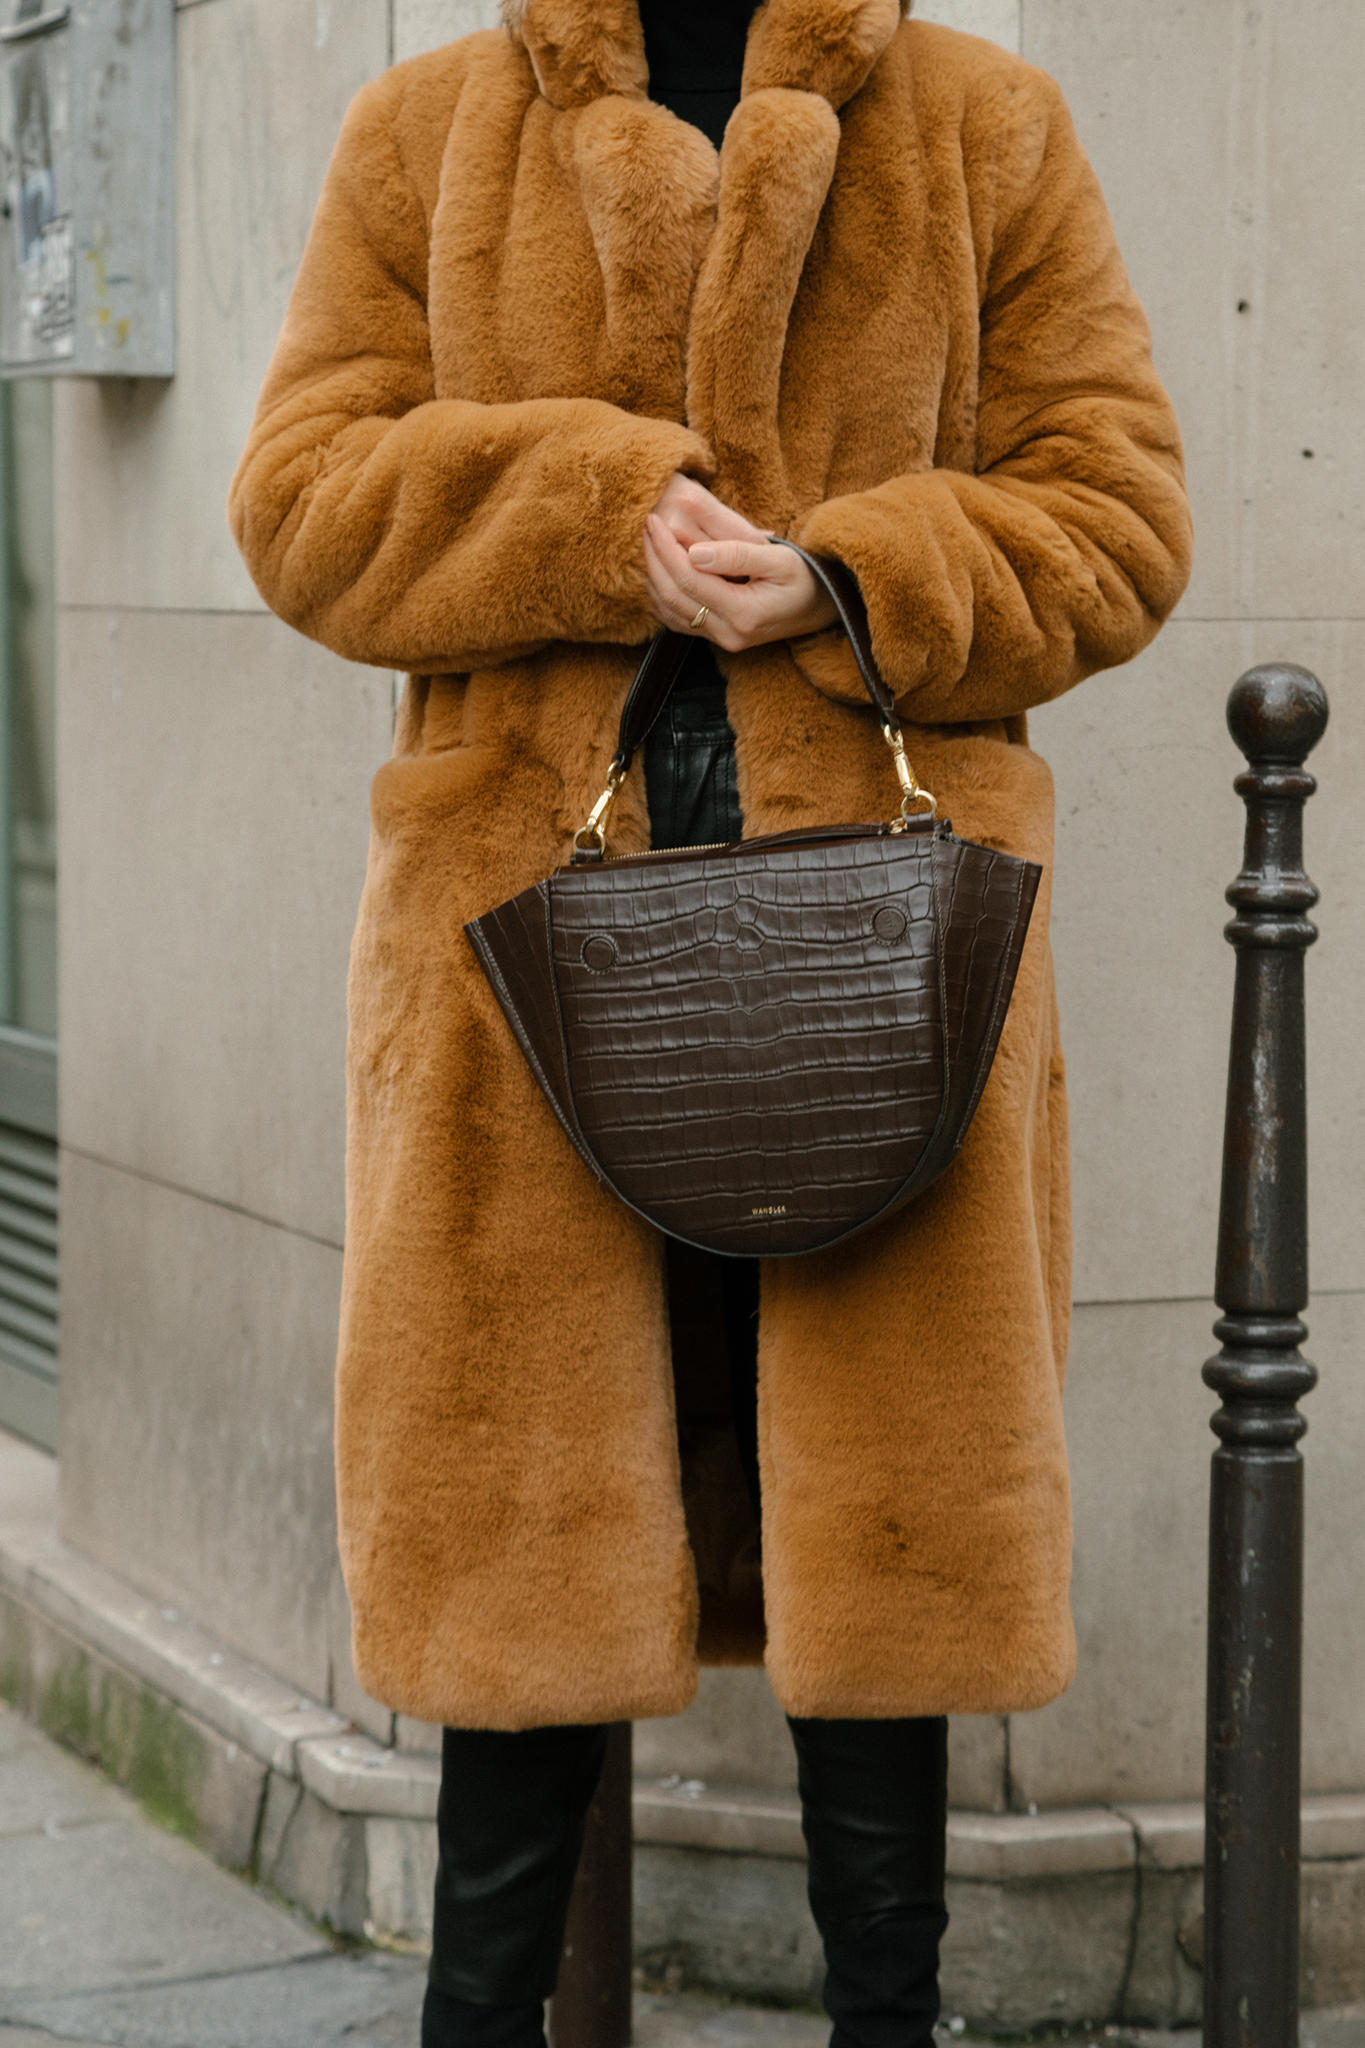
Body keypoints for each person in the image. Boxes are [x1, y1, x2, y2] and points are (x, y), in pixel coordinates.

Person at [229, 1, 1192, 2041]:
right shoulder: (428, 132)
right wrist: (606, 515)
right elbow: (301, 500)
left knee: (879, 1569)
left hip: (872, 970)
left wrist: (846, 576)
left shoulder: (978, 129)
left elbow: (1114, 514)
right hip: (521, 979)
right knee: (522, 1588)